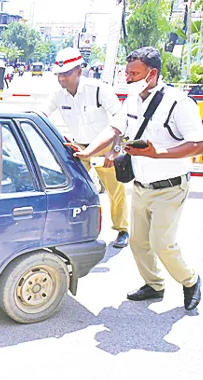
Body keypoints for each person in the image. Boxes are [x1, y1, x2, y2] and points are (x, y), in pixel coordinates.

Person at [75, 46, 203, 310]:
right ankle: (154, 284)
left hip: (170, 186)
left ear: (152, 73)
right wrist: (89, 151)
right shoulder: (132, 101)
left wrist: (159, 153)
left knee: (161, 243)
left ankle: (190, 281)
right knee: (137, 241)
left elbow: (198, 144)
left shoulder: (179, 103)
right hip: (141, 185)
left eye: (134, 73)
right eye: (127, 73)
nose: (128, 78)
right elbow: (114, 128)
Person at [41, 47, 130, 248]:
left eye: (66, 74)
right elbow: (41, 115)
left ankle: (122, 229)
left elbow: (121, 120)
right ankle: (72, 229)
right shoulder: (58, 94)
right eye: (58, 75)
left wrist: (114, 150)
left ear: (79, 71)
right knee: (71, 189)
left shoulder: (99, 90)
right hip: (78, 148)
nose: (62, 79)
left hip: (104, 147)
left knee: (115, 190)